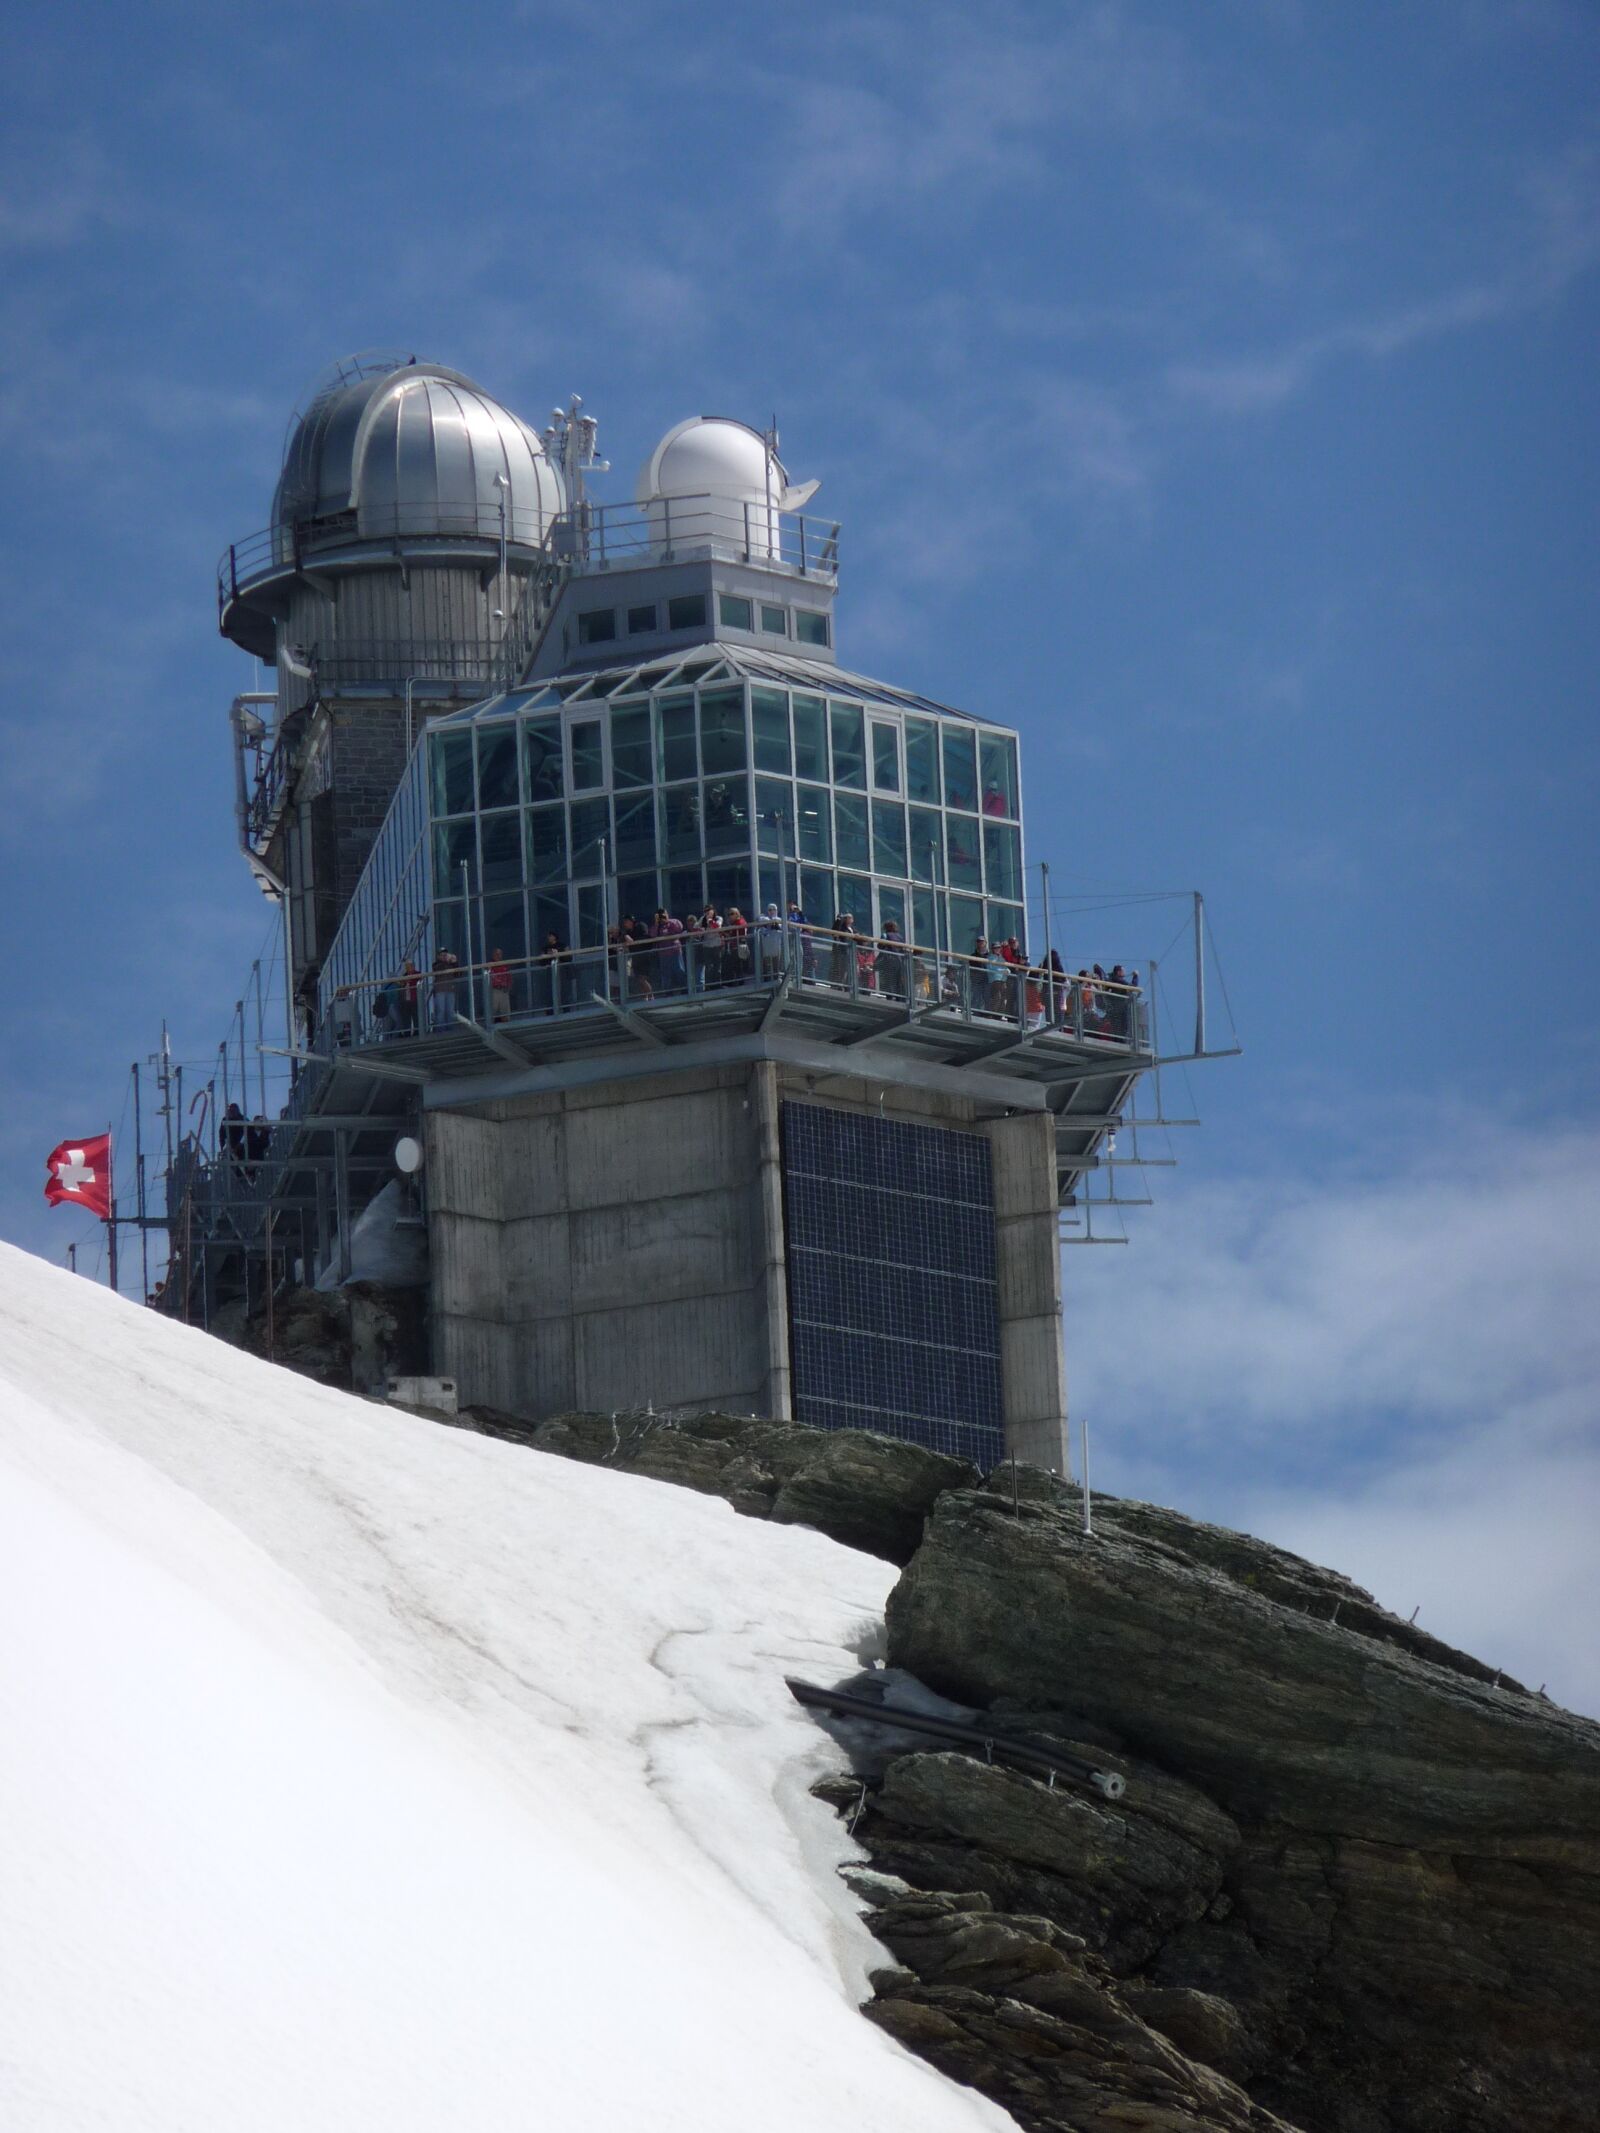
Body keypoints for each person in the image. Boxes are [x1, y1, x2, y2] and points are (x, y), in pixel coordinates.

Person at [537, 930, 566, 1014]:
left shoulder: (561, 946)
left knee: (563, 992)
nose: (548, 938)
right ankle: (550, 1011)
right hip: (549, 974)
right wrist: (547, 956)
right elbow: (541, 962)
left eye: (550, 936)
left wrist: (558, 954)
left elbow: (568, 958)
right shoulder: (545, 948)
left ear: (554, 936)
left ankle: (565, 1009)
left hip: (562, 973)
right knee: (549, 993)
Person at [877, 919, 907, 1000]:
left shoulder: (885, 935)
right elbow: (903, 949)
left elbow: (880, 945)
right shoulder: (900, 937)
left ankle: (889, 996)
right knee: (898, 980)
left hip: (889, 960)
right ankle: (899, 998)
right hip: (899, 960)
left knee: (889, 979)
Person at [430, 949, 460, 1029]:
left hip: (450, 990)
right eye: (442, 955)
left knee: (450, 1011)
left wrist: (455, 962)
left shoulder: (451, 964)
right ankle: (440, 1030)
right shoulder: (436, 964)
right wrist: (446, 961)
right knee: (441, 1011)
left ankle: (450, 1029)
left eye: (445, 955)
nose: (444, 956)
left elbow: (458, 974)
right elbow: (438, 969)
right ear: (438, 956)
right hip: (440, 991)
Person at [829, 911, 856, 988]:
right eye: (847, 918)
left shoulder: (852, 929)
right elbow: (834, 931)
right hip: (842, 952)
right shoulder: (842, 928)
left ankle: (848, 986)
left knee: (849, 970)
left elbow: (857, 937)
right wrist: (838, 920)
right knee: (840, 969)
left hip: (851, 952)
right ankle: (839, 985)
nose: (849, 919)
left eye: (850, 917)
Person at [758, 903, 785, 979]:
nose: (772, 911)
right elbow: (761, 922)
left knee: (776, 964)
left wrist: (774, 923)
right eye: (770, 910)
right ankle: (766, 979)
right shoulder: (764, 919)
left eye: (774, 909)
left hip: (776, 945)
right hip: (766, 945)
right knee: (766, 965)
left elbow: (779, 928)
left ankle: (776, 978)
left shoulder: (779, 920)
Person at [488, 946, 513, 1022]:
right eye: (496, 954)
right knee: (492, 1011)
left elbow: (509, 976)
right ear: (493, 955)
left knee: (505, 1012)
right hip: (494, 990)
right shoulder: (490, 965)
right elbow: (487, 975)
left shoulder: (505, 965)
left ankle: (506, 1028)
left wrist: (509, 987)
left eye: (500, 954)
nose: (498, 956)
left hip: (503, 990)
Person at [397, 960, 420, 1036]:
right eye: (406, 966)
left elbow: (419, 980)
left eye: (409, 966)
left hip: (414, 998)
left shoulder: (417, 974)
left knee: (416, 1015)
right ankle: (407, 1032)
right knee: (406, 1017)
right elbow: (399, 983)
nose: (408, 968)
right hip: (406, 1000)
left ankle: (417, 1031)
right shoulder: (404, 976)